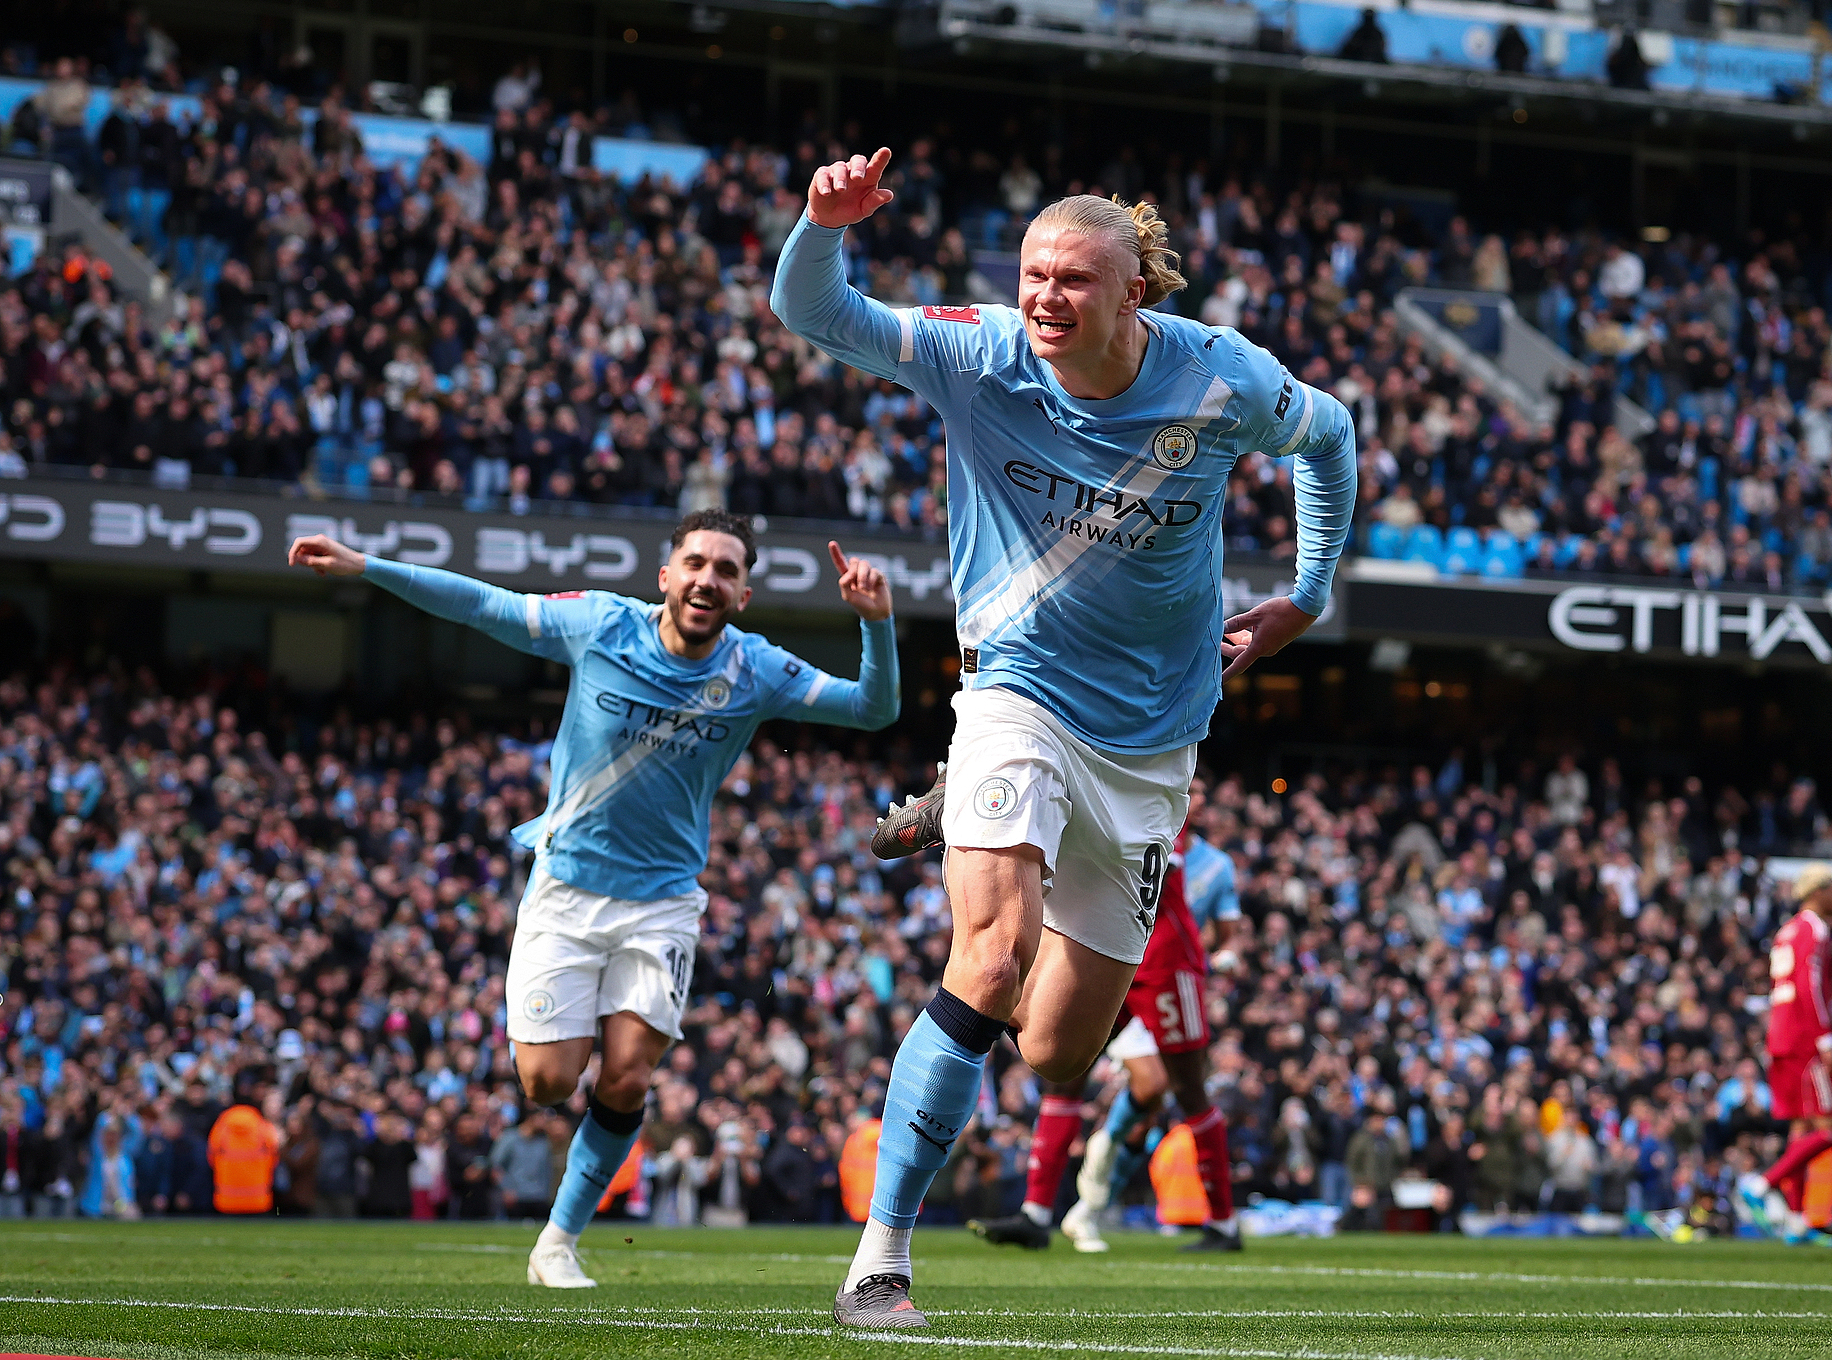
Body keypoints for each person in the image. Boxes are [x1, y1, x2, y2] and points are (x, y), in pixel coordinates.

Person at [772, 147, 1355, 1328]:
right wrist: (820, 225)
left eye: (1073, 279)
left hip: (1151, 745)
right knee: (986, 959)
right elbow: (811, 309)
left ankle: (971, 809)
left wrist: (1304, 593)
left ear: (1134, 291)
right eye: (1034, 272)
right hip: (1015, 693)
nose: (1044, 296)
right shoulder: (976, 351)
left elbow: (1331, 437)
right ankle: (879, 1263)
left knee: (1051, 1056)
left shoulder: (1218, 378)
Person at [289, 508, 899, 1284]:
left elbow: (873, 710)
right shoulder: (601, 625)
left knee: (628, 1075)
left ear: (744, 594)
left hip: (663, 903)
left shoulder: (756, 670)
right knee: (547, 1083)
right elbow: (485, 604)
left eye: (727, 570)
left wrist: (876, 626)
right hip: (568, 888)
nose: (709, 578)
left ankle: (558, 1241)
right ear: (666, 576)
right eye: (697, 563)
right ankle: (559, 1187)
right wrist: (368, 566)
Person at [967, 781, 1244, 1252]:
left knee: (1186, 1088)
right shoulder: (1123, 797)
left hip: (1164, 966)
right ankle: (1037, 1213)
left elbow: (1144, 870)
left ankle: (1222, 1223)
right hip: (1109, 957)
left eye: (1199, 789)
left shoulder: (1165, 817)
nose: (1193, 794)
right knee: (1065, 1073)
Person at [1739, 863, 1832, 1246]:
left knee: (1800, 1130)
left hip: (1779, 1036)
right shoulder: (1814, 928)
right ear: (1820, 890)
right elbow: (1810, 984)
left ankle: (1797, 1222)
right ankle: (1762, 1184)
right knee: (1831, 1128)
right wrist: (1825, 1038)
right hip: (1803, 1038)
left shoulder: (1787, 929)